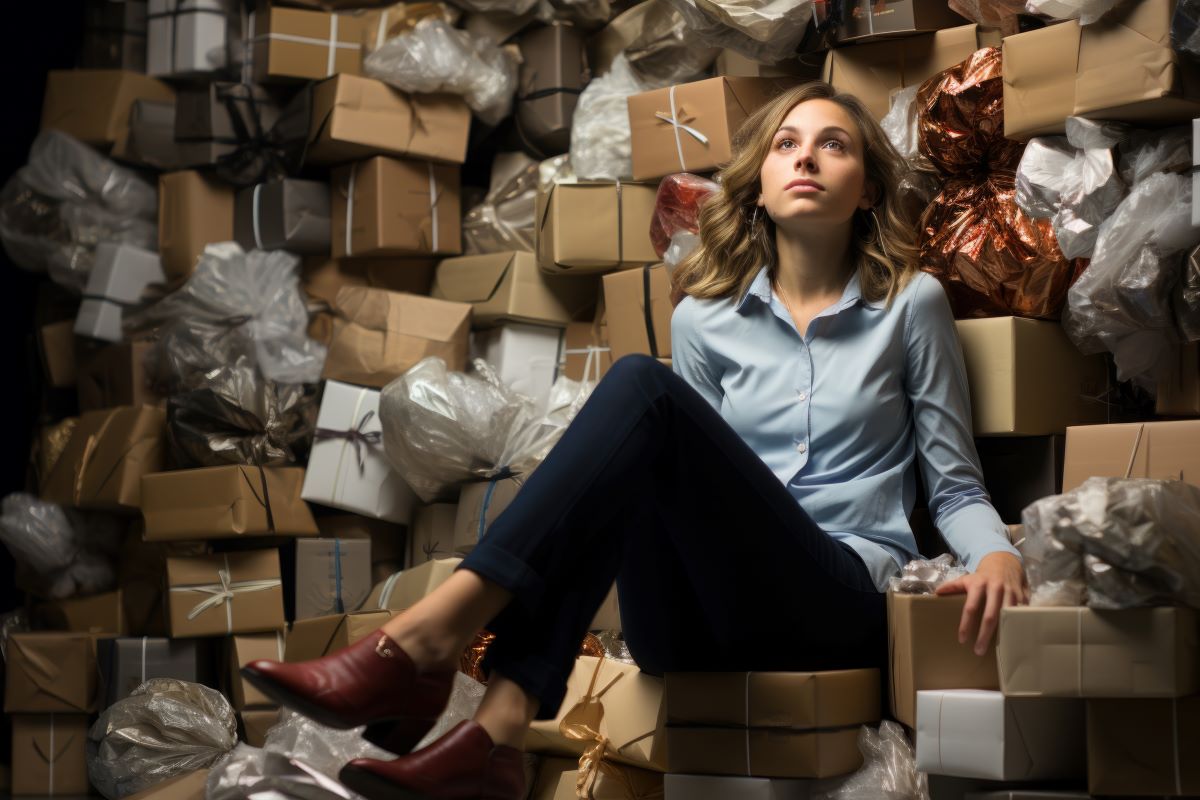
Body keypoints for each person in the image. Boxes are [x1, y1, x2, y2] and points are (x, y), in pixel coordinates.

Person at [242, 82, 1029, 800]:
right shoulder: (704, 321)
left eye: (834, 145)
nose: (806, 159)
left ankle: (462, 678)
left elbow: (953, 484)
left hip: (836, 604)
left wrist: (995, 554)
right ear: (757, 186)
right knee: (639, 443)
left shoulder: (910, 306)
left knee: (640, 390)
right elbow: (690, 491)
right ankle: (481, 715)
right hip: (698, 625)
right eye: (786, 144)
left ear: (869, 189)